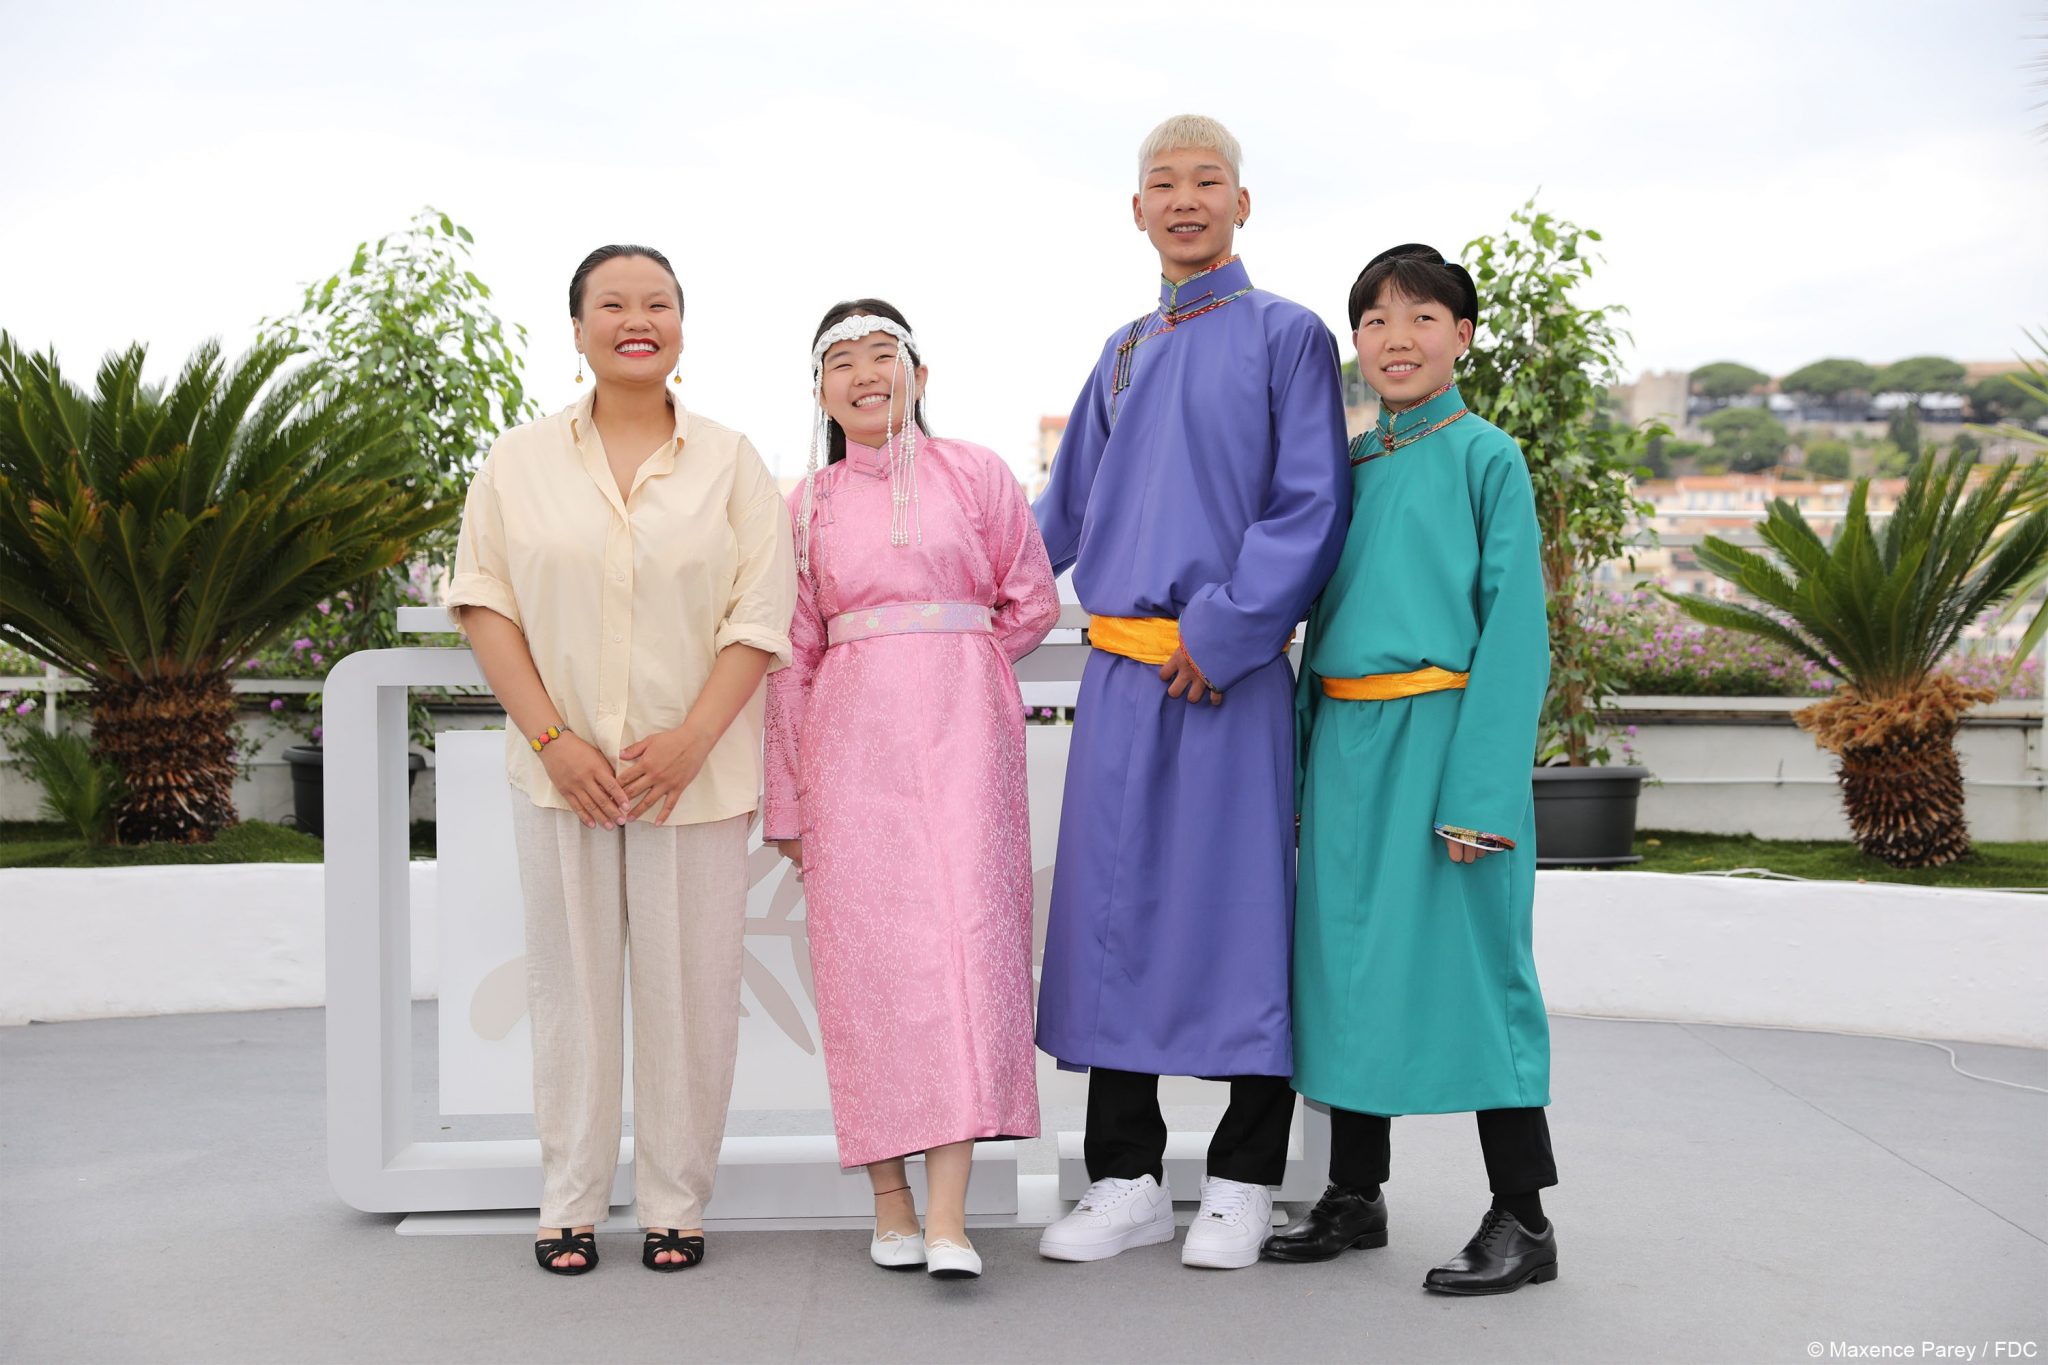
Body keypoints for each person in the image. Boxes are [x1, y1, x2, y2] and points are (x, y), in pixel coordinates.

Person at [1031, 114, 1351, 1270]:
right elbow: (1055, 520)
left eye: (1204, 180)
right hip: (1122, 678)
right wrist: (946, 608)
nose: (1183, 199)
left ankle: (1241, 1181)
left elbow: (1309, 504)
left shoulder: (1288, 336)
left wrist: (1222, 634)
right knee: (1109, 920)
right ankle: (1123, 1180)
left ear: (1240, 202)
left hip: (1227, 677)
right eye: (1161, 183)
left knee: (1241, 922)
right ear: (1135, 211)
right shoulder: (1118, 352)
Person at [446, 244, 797, 1276]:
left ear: (681, 326)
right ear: (578, 328)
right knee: (572, 994)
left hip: (695, 781)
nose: (635, 319)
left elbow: (759, 616)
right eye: (611, 303)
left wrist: (691, 741)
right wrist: (552, 742)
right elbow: (485, 601)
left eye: (657, 303)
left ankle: (675, 1201)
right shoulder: (517, 462)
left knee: (689, 999)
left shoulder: (732, 462)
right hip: (563, 780)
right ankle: (569, 1198)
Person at [1262, 244, 1559, 1295]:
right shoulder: (1346, 467)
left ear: (1462, 336)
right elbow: (1314, 620)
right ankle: (1355, 1191)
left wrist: (1479, 791)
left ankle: (1523, 1216)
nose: (1397, 339)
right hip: (1345, 748)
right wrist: (1302, 768)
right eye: (1376, 321)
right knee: (1343, 967)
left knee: (1478, 973)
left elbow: (1515, 631)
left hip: (1442, 745)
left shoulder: (1488, 457)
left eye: (1423, 317)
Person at [765, 300, 1059, 1282]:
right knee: (868, 967)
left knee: (966, 955)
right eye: (840, 361)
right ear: (820, 391)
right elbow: (791, 657)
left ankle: (947, 1218)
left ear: (919, 375)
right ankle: (887, 1200)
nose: (864, 373)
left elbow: (1030, 598)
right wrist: (789, 800)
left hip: (967, 746)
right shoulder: (804, 506)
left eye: (882, 353)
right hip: (847, 751)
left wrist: (957, 658)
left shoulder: (977, 474)